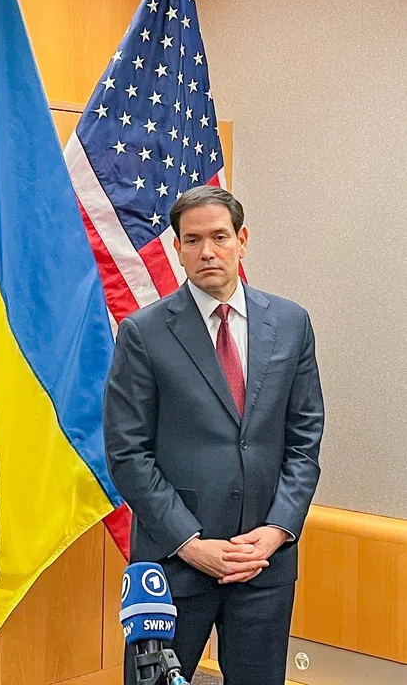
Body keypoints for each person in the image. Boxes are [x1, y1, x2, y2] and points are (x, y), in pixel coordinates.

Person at [105, 185, 324, 685]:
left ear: (242, 241)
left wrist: (276, 531)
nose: (208, 251)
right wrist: (189, 542)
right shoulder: (144, 332)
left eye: (220, 236)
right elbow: (127, 453)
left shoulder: (291, 324)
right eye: (193, 239)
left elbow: (304, 440)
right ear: (178, 249)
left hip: (264, 561)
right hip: (174, 563)